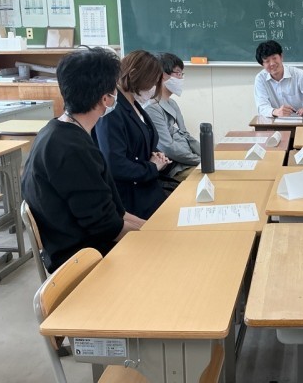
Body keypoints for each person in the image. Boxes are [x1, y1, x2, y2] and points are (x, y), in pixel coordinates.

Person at [21, 48, 146, 273]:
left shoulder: (56, 131)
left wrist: (153, 229)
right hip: (84, 260)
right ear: (106, 99)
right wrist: (157, 237)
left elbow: (115, 214)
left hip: (85, 246)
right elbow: (108, 228)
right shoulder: (72, 150)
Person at [94, 50, 169, 220]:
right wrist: (152, 167)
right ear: (134, 75)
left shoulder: (134, 104)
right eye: (151, 82)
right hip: (131, 199)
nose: (153, 88)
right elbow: (115, 164)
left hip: (149, 190)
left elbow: (142, 142)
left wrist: (157, 156)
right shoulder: (112, 110)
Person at [145, 53, 201, 182]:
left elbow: (186, 135)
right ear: (163, 75)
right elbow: (167, 147)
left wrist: (207, 156)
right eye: (178, 74)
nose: (181, 79)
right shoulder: (152, 108)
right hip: (176, 167)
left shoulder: (172, 103)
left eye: (182, 74)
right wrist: (199, 160)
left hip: (188, 159)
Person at [254, 40, 303, 117]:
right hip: (273, 122)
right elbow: (261, 106)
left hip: (299, 121)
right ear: (262, 64)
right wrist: (275, 112)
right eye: (267, 61)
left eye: (274, 58)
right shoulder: (260, 79)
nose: (272, 63)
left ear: (281, 57)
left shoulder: (297, 74)